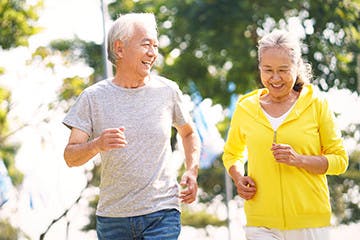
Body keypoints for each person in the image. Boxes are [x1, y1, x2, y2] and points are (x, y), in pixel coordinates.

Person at [63, 13, 200, 240]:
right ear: (119, 49)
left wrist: (192, 171)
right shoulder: (93, 98)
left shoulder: (168, 91)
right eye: (146, 44)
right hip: (113, 219)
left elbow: (188, 133)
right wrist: (97, 144)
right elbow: (70, 156)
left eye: (155, 46)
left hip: (162, 213)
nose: (153, 53)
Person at [222, 29, 348, 240]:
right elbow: (231, 154)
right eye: (268, 70)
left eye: (283, 70)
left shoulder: (317, 104)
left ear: (296, 67)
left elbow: (340, 160)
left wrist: (299, 160)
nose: (275, 78)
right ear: (260, 68)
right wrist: (238, 177)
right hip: (261, 222)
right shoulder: (245, 107)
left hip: (309, 222)